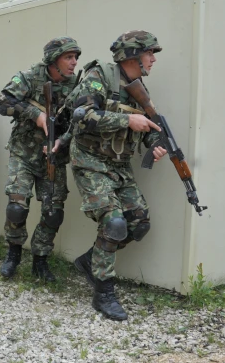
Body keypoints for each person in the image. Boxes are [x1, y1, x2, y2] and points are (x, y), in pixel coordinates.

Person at [65, 30, 167, 321]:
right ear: (133, 55)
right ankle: (104, 292)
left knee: (139, 223)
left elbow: (147, 128)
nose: (153, 59)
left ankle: (90, 261)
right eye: (150, 53)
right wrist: (127, 119)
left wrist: (154, 146)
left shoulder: (139, 89)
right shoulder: (101, 76)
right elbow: (81, 116)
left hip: (119, 166)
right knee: (114, 222)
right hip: (90, 161)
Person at [0, 37, 81, 282]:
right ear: (53, 59)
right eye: (68, 57)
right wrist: (35, 114)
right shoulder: (30, 77)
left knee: (53, 212)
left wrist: (61, 140)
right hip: (23, 153)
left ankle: (40, 260)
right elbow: (0, 101)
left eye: (76, 57)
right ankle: (13, 253)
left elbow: (80, 120)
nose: (74, 62)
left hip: (54, 156)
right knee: (16, 208)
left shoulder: (77, 84)